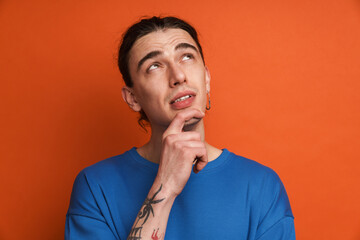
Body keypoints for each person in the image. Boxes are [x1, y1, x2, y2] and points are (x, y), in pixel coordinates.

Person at [65, 16, 295, 240]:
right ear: (133, 97)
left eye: (186, 57)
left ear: (206, 78)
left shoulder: (262, 185)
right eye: (154, 66)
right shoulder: (95, 186)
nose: (178, 76)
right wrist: (165, 187)